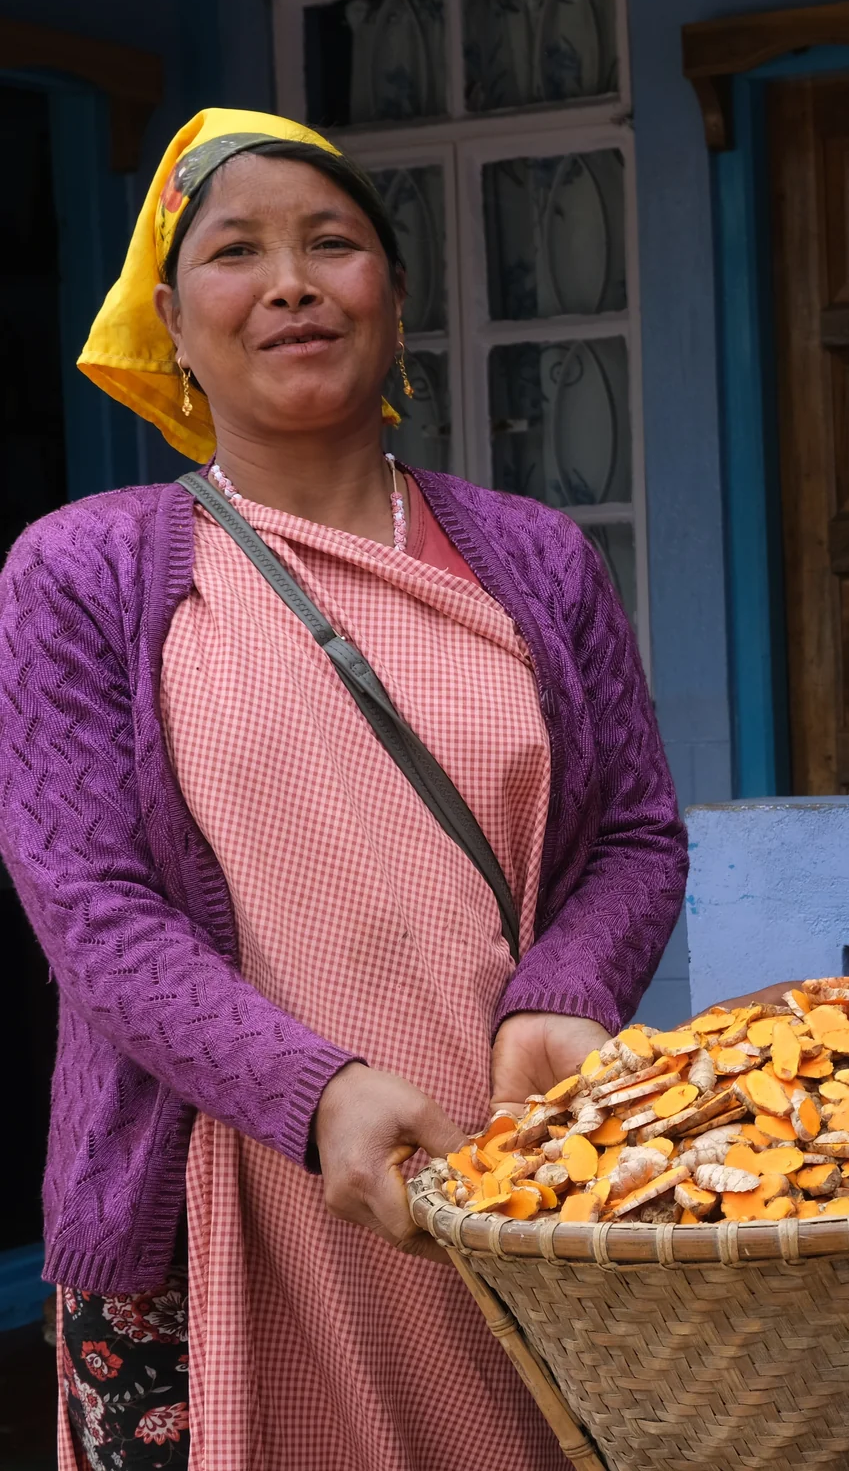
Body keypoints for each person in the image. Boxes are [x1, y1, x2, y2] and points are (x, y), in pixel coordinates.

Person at [0, 108, 686, 1471]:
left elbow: (633, 836)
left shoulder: (535, 561)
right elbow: (90, 902)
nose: (292, 280)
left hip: (495, 1193)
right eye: (236, 252)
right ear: (174, 330)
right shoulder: (86, 570)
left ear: (395, 297)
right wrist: (314, 1094)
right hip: (198, 1223)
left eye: (333, 243)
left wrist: (564, 992)